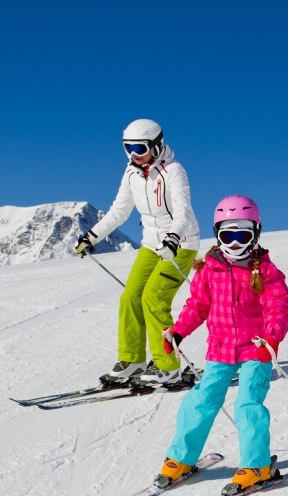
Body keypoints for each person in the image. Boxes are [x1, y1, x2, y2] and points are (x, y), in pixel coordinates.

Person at [153, 195, 288, 496]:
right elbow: (197, 306)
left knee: (247, 404)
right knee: (200, 400)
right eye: (226, 235)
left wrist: (272, 338)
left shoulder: (266, 271)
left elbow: (278, 306)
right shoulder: (209, 269)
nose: (234, 242)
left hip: (256, 350)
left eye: (241, 235)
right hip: (220, 349)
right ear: (216, 234)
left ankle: (257, 466)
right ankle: (182, 458)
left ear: (255, 233)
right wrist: (178, 332)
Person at [75, 118, 200, 385]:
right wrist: (92, 236)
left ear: (156, 146)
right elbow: (119, 211)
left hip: (181, 243)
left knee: (153, 298)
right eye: (128, 148)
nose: (134, 155)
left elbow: (184, 212)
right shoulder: (131, 173)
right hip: (151, 245)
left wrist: (173, 239)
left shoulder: (174, 171)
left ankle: (167, 365)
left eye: (139, 148)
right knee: (130, 297)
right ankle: (133, 361)